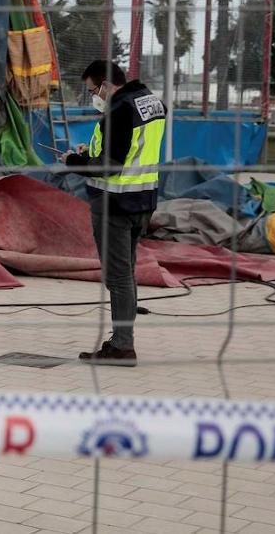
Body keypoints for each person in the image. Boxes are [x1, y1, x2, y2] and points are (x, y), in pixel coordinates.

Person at [64, 60, 166, 367]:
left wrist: (74, 162)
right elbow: (134, 150)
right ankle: (122, 337)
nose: (94, 96)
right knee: (128, 272)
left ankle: (123, 346)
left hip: (115, 205)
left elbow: (111, 166)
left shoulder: (118, 111)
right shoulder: (152, 102)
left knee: (118, 276)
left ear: (107, 85)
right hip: (144, 201)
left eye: (93, 90)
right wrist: (91, 154)